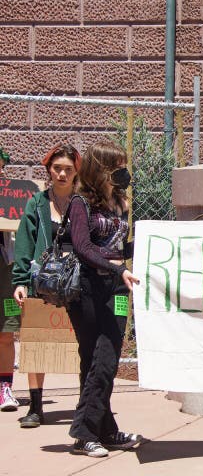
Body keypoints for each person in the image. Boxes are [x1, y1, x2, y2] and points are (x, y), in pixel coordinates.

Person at [67, 140, 141, 458]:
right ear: (102, 170)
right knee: (96, 360)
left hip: (118, 291)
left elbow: (121, 249)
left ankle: (101, 430)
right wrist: (114, 267)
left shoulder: (120, 204)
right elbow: (83, 247)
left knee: (107, 359)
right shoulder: (81, 204)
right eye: (117, 166)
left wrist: (156, 243)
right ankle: (89, 433)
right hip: (88, 289)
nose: (124, 172)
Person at [11, 143, 81, 428]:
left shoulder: (83, 202)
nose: (62, 174)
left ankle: (84, 404)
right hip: (43, 281)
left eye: (68, 169)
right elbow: (25, 243)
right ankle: (36, 407)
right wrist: (19, 281)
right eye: (57, 169)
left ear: (76, 172)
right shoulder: (36, 203)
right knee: (37, 341)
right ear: (49, 171)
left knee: (80, 343)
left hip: (76, 283)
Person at [0, 149, 20, 413]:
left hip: (7, 268)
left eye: (2, 167)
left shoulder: (12, 199)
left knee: (7, 330)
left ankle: (5, 387)